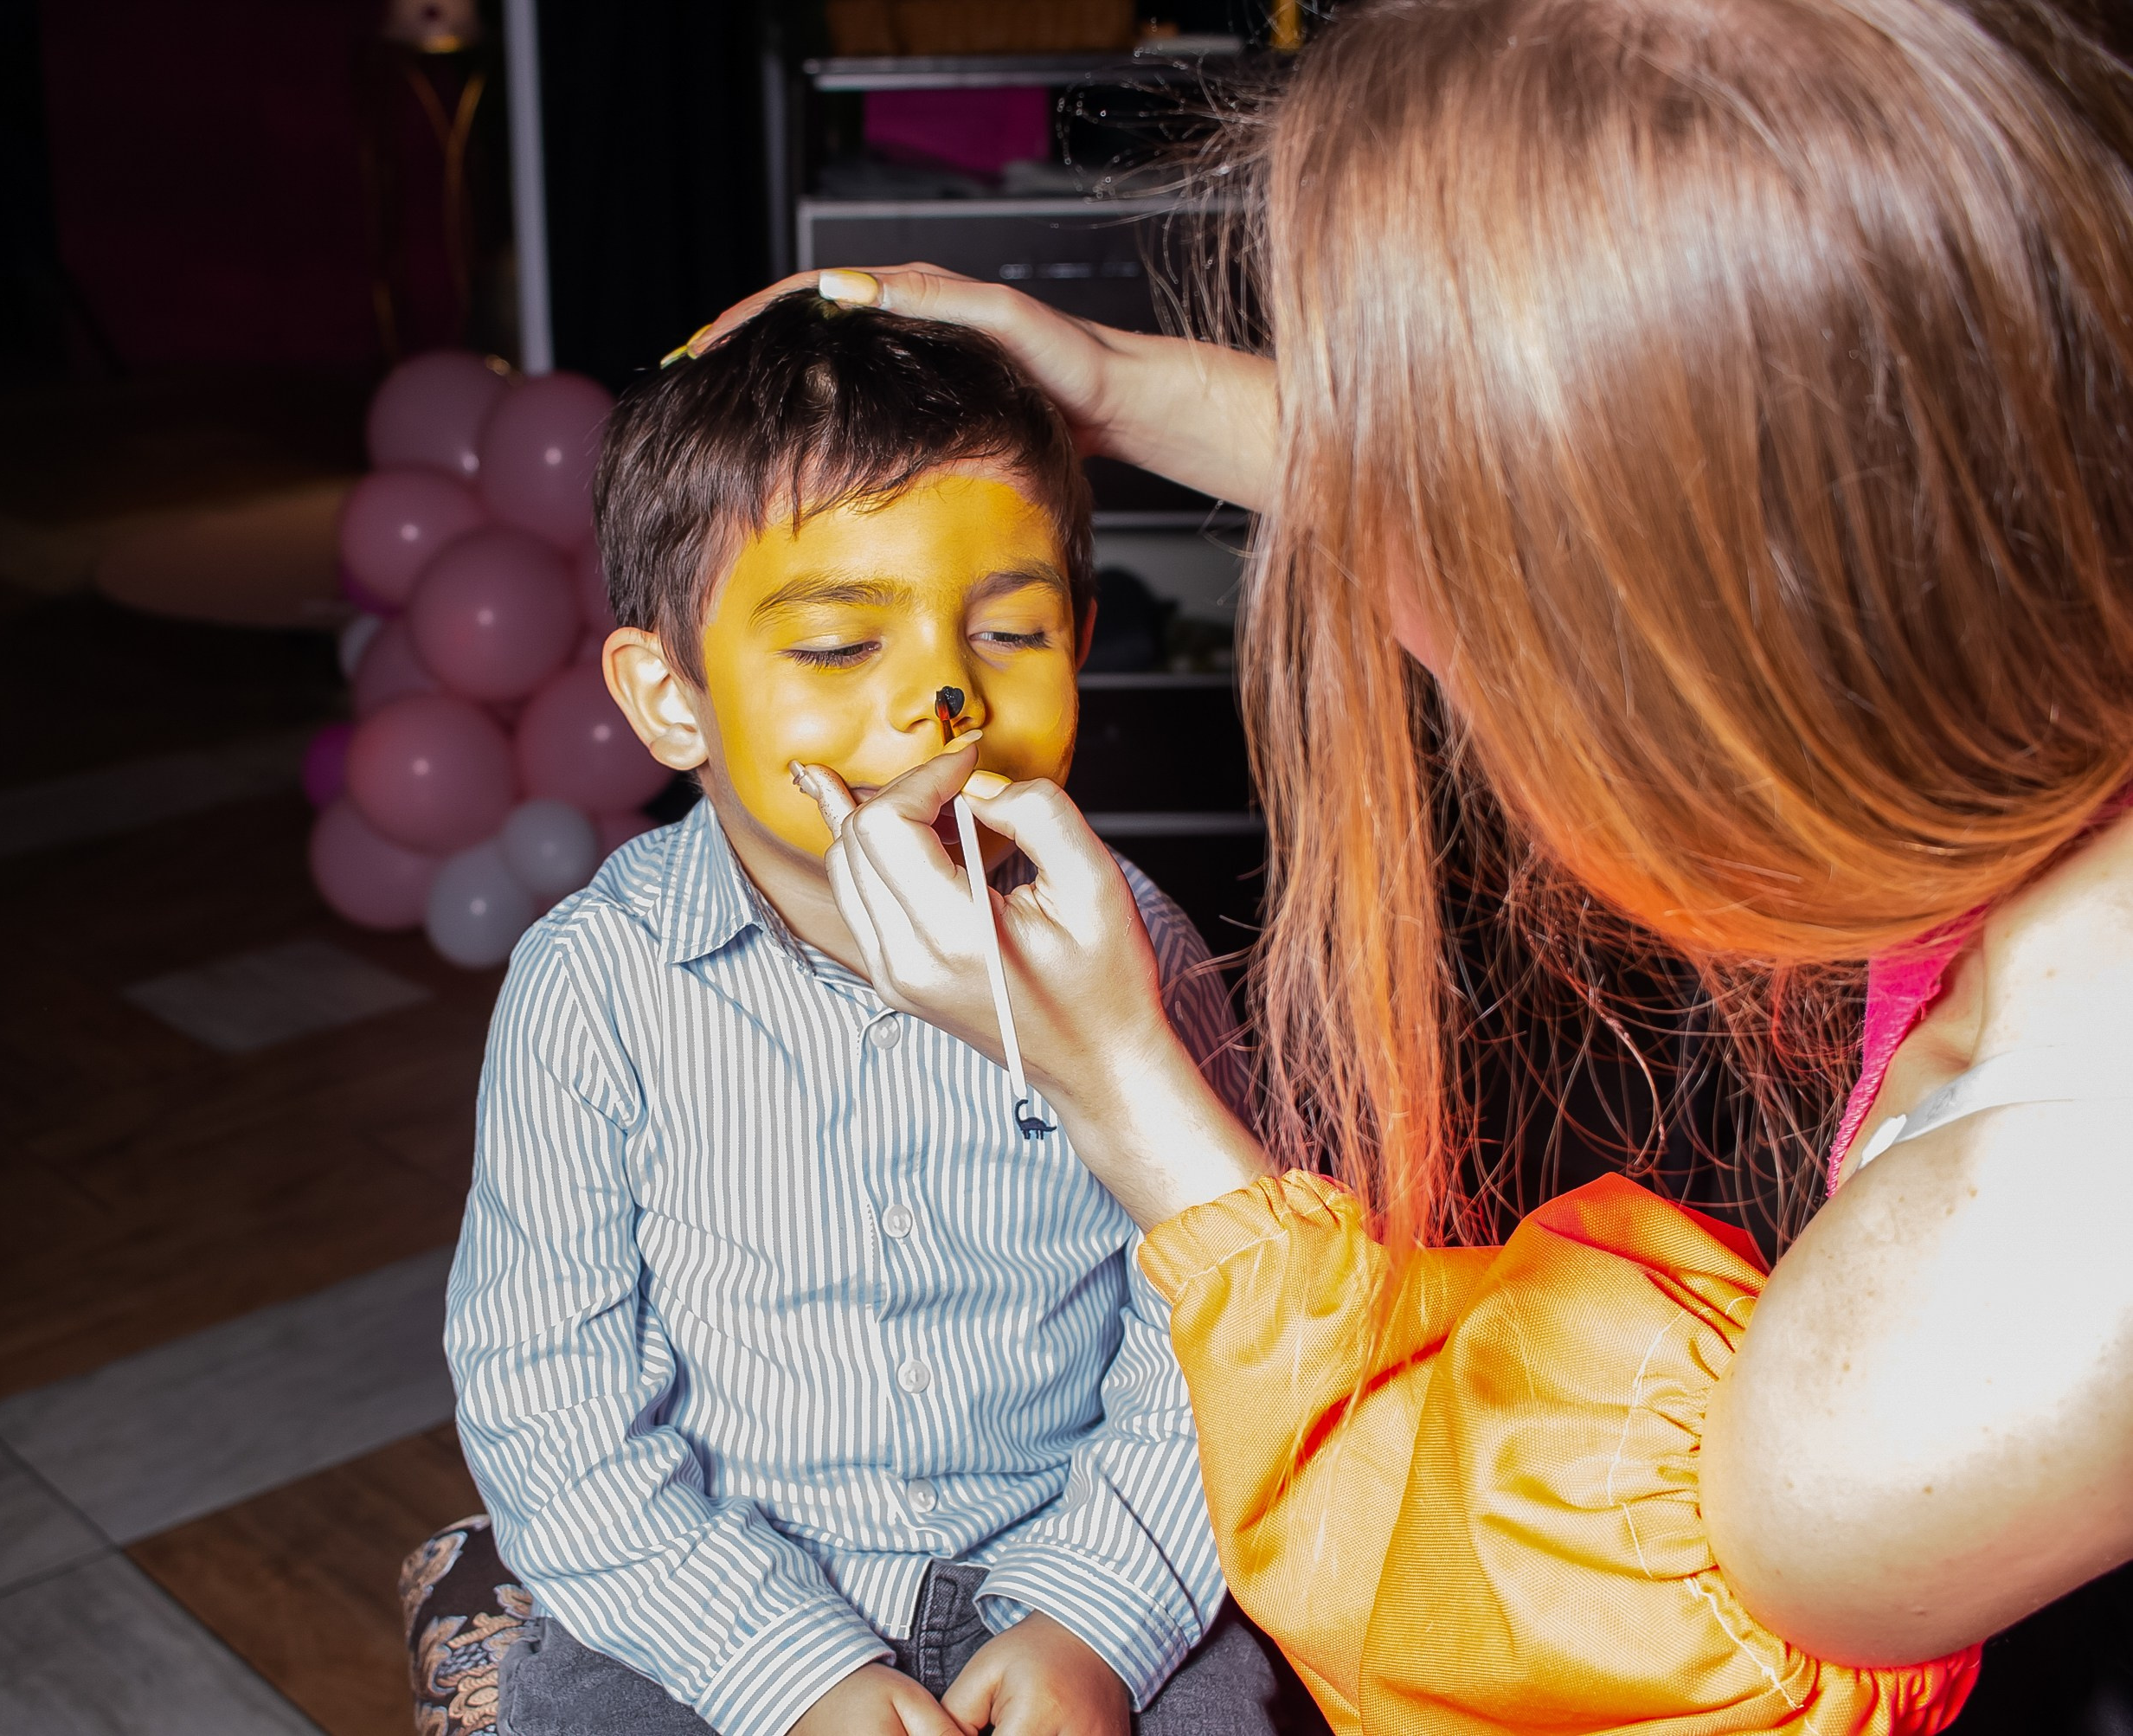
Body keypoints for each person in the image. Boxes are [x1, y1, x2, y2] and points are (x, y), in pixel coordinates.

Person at [696, 0, 2133, 1730]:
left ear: (1700, 660)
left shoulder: (2025, 1281)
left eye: (1455, 640)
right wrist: (1114, 383)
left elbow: (1490, 1603)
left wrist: (1122, 1089)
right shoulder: (2009, 542)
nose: (1382, 601)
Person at [445, 292, 1301, 1736]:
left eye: (1011, 631)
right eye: (842, 648)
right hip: (711, 1599)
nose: (946, 698)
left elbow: (1215, 1331)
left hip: (1069, 1560)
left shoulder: (1132, 941)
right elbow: (552, 1407)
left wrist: (1096, 1615)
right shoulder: (589, 990)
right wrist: (789, 1675)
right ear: (671, 696)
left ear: (1081, 641)